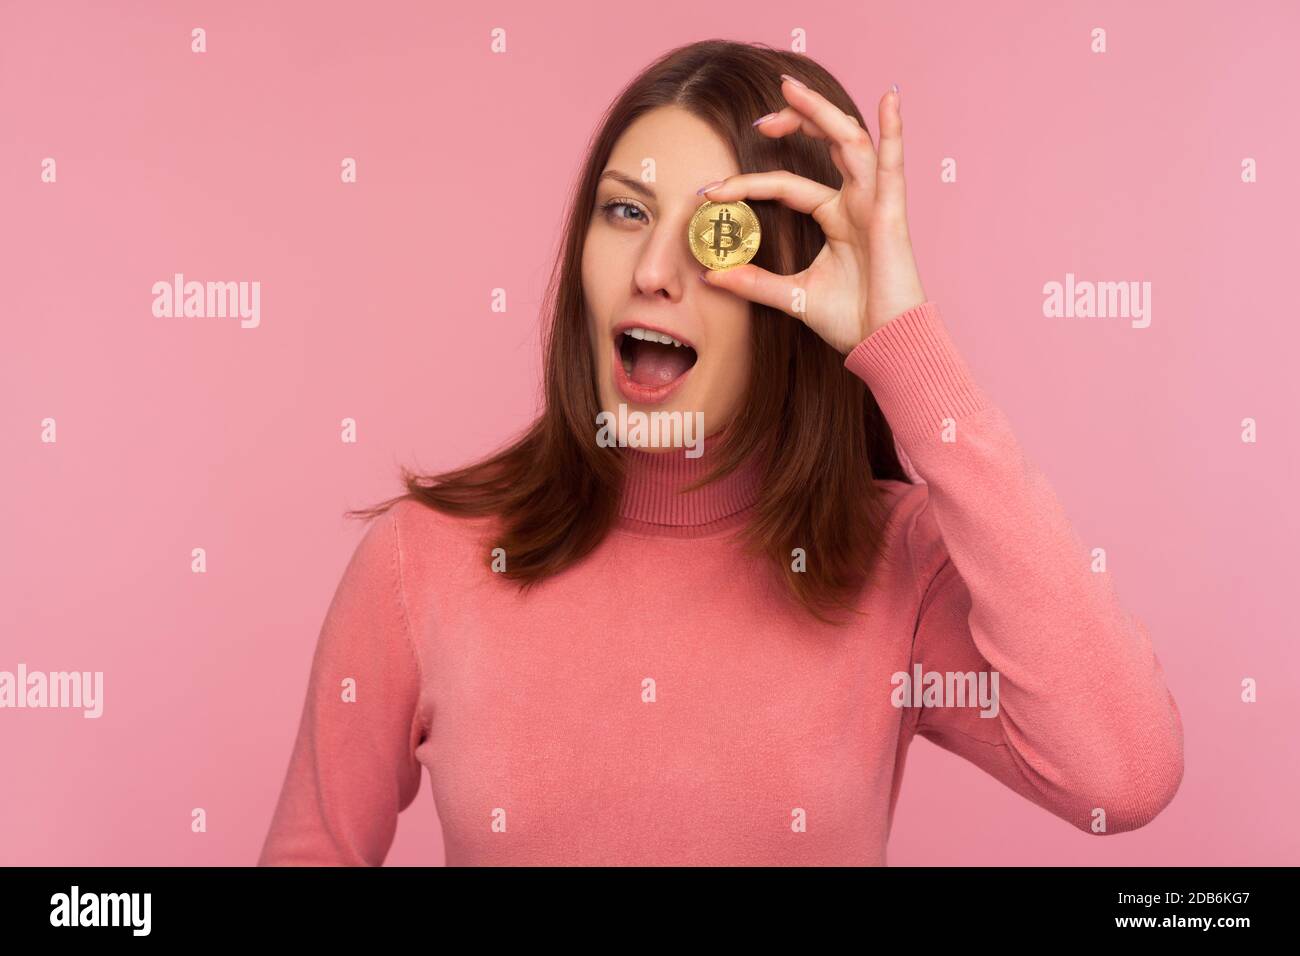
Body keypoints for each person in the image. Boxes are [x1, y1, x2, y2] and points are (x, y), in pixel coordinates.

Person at [257, 39, 1183, 866]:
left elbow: (1124, 776)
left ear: (792, 278)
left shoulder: (896, 562)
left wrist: (904, 343)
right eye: (624, 213)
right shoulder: (425, 560)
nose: (652, 272)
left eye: (714, 232)